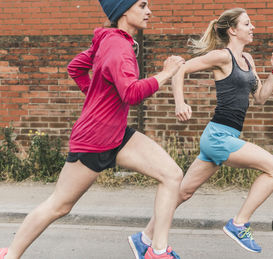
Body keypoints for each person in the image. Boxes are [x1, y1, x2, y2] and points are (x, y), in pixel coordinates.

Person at [0, 1, 184, 259]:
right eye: (142, 5)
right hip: (94, 140)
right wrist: (166, 73)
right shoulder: (118, 47)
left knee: (172, 175)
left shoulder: (109, 40)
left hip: (117, 134)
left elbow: (75, 68)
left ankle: (157, 249)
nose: (149, 11)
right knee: (59, 205)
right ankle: (11, 254)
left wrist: (97, 99)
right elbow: (131, 93)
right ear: (123, 11)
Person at [128, 7, 273, 256]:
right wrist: (180, 103)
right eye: (247, 24)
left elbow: (260, 98)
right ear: (233, 30)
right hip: (218, 138)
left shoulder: (248, 60)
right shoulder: (222, 57)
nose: (252, 27)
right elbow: (179, 69)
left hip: (225, 136)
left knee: (183, 192)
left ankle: (144, 237)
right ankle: (239, 224)